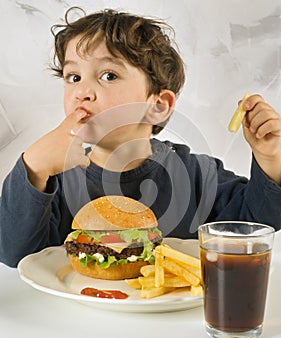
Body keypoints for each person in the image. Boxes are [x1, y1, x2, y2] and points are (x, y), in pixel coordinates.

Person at [0, 7, 281, 268]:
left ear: (157, 105)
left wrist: (270, 159)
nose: (82, 91)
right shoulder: (57, 180)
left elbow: (255, 227)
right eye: (73, 77)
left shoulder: (196, 174)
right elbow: (16, 256)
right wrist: (33, 167)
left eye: (108, 75)